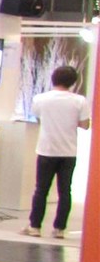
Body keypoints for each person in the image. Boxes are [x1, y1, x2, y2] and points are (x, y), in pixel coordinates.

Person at [22, 64, 91, 239]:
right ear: (73, 82)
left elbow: (39, 119)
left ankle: (35, 226)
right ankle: (59, 228)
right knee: (65, 191)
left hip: (46, 149)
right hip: (68, 151)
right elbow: (85, 125)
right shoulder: (79, 101)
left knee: (41, 189)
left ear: (53, 78)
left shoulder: (40, 99)